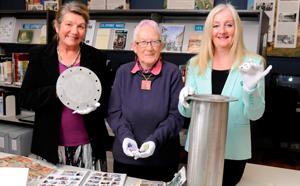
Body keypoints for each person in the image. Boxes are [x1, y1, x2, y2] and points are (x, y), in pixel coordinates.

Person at [178, 3, 272, 186]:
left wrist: (250, 88)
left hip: (234, 150)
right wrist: (185, 99)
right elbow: (186, 113)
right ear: (209, 30)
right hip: (199, 149)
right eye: (216, 25)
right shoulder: (196, 64)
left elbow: (255, 114)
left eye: (228, 24)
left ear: (236, 28)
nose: (222, 30)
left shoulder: (253, 63)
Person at [19, 1, 111, 171]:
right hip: (49, 146)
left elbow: (106, 101)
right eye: (69, 24)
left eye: (81, 26)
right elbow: (25, 98)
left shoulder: (97, 58)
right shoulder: (39, 56)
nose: (74, 31)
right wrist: (57, 91)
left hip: (89, 145)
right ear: (57, 26)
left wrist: (95, 106)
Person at [107, 19, 184, 182]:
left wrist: (154, 141)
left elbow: (176, 116)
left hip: (162, 160)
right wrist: (126, 137)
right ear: (134, 47)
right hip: (126, 160)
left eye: (154, 42)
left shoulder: (172, 73)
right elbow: (114, 113)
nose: (149, 48)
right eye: (143, 42)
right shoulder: (123, 72)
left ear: (161, 46)